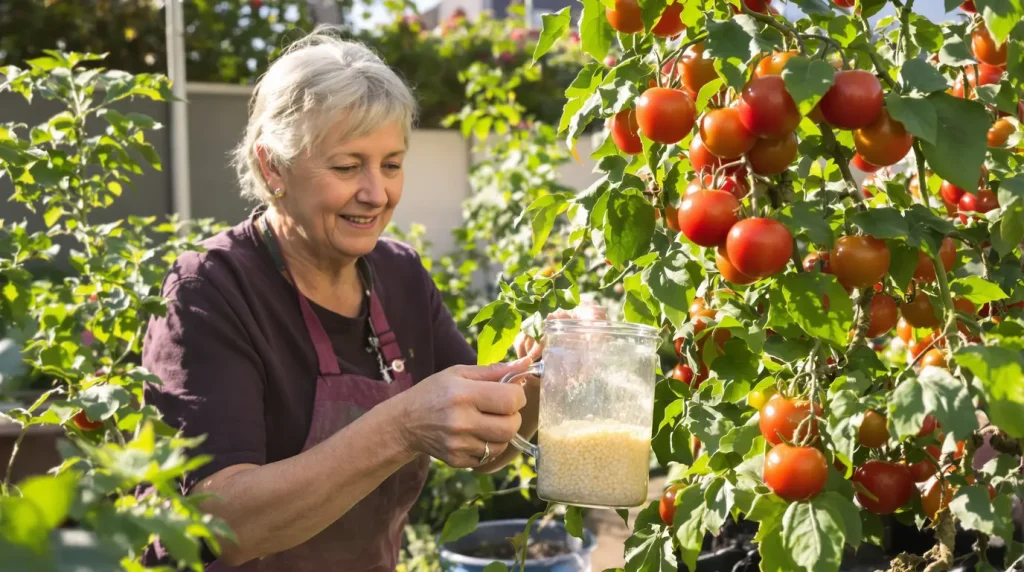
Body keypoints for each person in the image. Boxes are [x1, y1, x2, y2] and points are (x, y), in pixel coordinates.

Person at [140, 27, 603, 571]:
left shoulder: (398, 274)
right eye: (346, 166)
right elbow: (216, 529)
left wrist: (548, 371)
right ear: (273, 167)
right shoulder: (210, 291)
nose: (376, 193)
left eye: (391, 164)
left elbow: (487, 447)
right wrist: (401, 425)